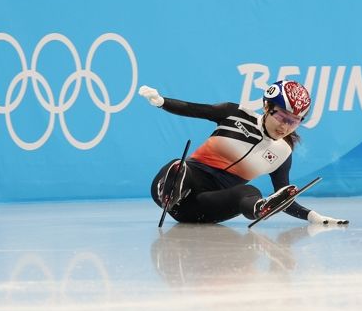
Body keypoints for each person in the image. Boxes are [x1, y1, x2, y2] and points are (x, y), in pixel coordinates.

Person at [138, 80, 348, 225]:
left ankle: (258, 208)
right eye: (283, 117)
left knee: (249, 192)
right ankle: (169, 192)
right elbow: (194, 109)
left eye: (293, 122)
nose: (285, 127)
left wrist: (312, 217)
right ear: (267, 106)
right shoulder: (234, 114)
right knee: (179, 166)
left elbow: (284, 197)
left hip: (206, 207)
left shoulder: (283, 153)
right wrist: (162, 102)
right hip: (178, 188)